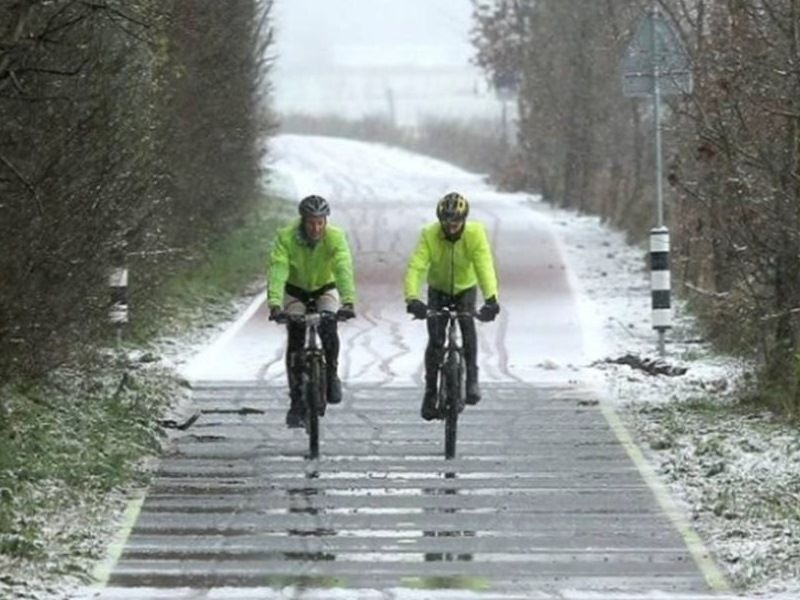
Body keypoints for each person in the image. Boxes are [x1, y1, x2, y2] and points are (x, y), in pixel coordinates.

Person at [403, 191, 500, 421]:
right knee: (436, 341)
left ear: (464, 220)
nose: (452, 226)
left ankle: (472, 378)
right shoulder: (429, 234)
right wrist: (412, 298)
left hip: (465, 289)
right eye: (446, 222)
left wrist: (491, 299)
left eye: (456, 221)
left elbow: (484, 266)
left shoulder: (475, 234)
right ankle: (430, 393)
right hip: (438, 290)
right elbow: (416, 266)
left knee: (467, 327)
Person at [267, 194, 357, 428]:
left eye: (320, 222)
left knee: (329, 327)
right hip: (296, 290)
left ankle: (331, 374)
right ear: (303, 221)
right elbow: (278, 269)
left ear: (326, 221)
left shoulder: (335, 237)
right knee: (295, 342)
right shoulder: (286, 238)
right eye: (311, 222)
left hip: (324, 289)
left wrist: (348, 302)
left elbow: (342, 268)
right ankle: (296, 402)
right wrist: (275, 304)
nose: (316, 227)